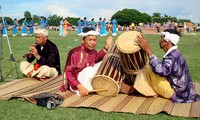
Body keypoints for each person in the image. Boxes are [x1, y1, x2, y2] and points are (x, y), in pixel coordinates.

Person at [136, 29, 200, 103]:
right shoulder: (175, 53)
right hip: (183, 92)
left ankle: (134, 89)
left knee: (148, 68)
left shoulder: (173, 55)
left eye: (162, 37)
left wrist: (148, 50)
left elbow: (162, 71)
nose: (160, 40)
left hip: (177, 94)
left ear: (167, 41)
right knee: (150, 67)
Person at [64, 27, 113, 96]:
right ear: (83, 40)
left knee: (106, 62)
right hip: (77, 84)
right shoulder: (74, 52)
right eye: (90, 40)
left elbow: (96, 59)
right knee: (89, 70)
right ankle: (87, 90)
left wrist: (106, 47)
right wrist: (80, 87)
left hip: (87, 77)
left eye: (94, 40)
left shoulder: (92, 51)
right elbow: (68, 73)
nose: (92, 43)